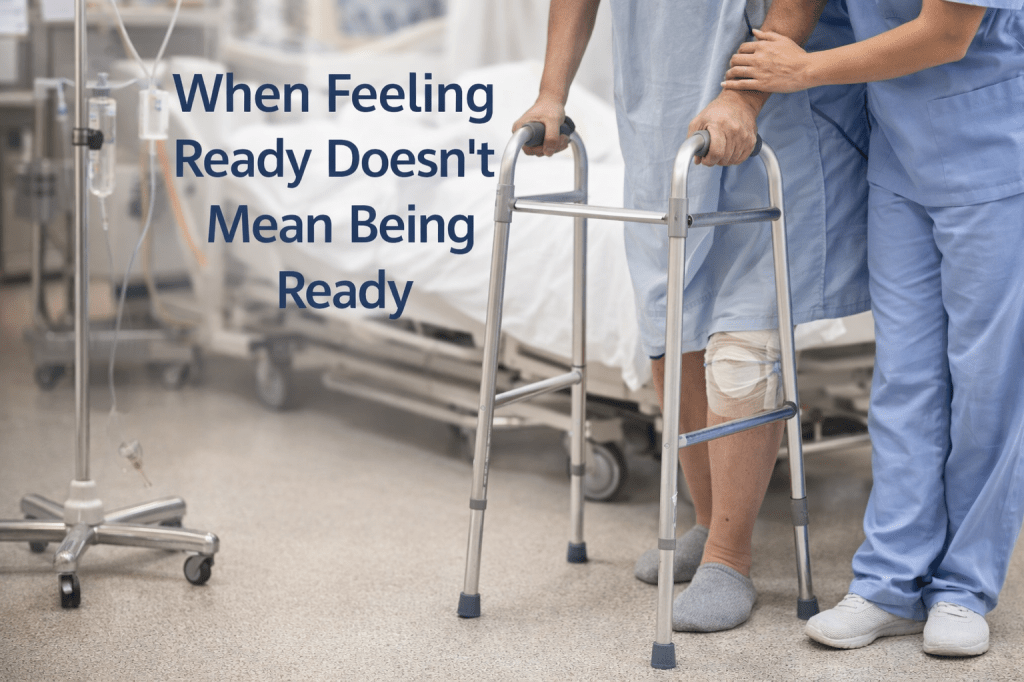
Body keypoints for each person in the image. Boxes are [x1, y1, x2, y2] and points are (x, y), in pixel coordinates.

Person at [515, 0, 871, 632]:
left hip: (768, 113)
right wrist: (551, 92)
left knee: (742, 345)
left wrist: (745, 98)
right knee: (670, 321)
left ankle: (730, 560)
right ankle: (709, 524)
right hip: (660, 108)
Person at [721, 0, 1024, 656]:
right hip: (900, 158)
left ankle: (963, 588)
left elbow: (948, 31)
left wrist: (806, 70)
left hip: (997, 150)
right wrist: (737, 95)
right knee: (905, 378)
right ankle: (888, 583)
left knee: (987, 383)